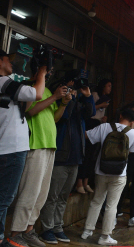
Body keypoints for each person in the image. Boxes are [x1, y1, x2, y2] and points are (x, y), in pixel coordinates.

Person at [0, 49, 46, 247]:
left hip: (10, 148)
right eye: (8, 61)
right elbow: (37, 94)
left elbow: (25, 94)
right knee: (2, 200)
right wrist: (42, 74)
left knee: (3, 199)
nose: (12, 65)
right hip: (11, 149)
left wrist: (35, 78)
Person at [9, 62, 71, 247]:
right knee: (29, 192)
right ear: (38, 71)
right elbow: (30, 111)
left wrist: (63, 104)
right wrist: (54, 97)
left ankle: (28, 230)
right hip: (35, 145)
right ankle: (15, 233)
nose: (50, 74)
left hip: (49, 145)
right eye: (47, 71)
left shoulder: (45, 92)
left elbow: (54, 118)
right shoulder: (29, 88)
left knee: (41, 195)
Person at [39, 77, 96, 244]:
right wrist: (68, 99)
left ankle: (58, 227)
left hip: (75, 157)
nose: (72, 90)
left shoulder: (77, 103)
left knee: (63, 196)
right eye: (68, 87)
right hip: (61, 156)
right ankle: (47, 229)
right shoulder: (60, 104)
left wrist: (87, 96)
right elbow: (63, 117)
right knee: (52, 196)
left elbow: (90, 113)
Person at [81, 108, 134, 246]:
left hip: (101, 171)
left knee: (96, 201)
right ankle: (105, 236)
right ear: (132, 121)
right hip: (119, 173)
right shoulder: (133, 133)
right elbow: (131, 151)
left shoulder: (105, 127)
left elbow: (86, 136)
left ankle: (87, 231)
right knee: (111, 205)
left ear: (120, 116)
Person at [77, 79, 112, 194]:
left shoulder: (106, 98)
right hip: (90, 123)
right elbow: (90, 109)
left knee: (92, 155)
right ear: (103, 86)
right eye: (108, 86)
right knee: (85, 153)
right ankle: (79, 183)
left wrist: (103, 119)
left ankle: (86, 182)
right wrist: (101, 105)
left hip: (98, 124)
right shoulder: (95, 95)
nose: (110, 88)